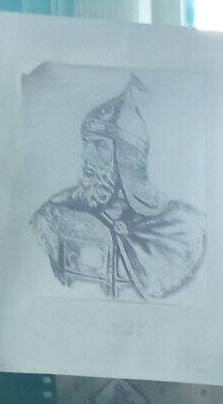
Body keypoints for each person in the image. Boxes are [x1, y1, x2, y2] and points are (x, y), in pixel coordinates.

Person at [31, 76, 208, 301]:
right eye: (86, 143)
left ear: (127, 158)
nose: (86, 156)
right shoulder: (52, 216)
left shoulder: (182, 227)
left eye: (99, 145)